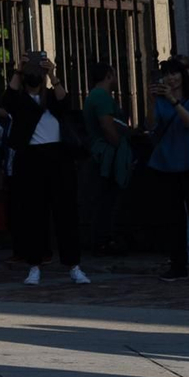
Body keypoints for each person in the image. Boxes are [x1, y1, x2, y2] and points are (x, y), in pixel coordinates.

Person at [3, 53, 90, 286]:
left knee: (66, 213)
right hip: (30, 158)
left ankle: (73, 265)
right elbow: (8, 99)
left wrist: (52, 73)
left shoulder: (50, 97)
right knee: (33, 214)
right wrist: (18, 70)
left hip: (58, 157)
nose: (35, 76)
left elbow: (65, 102)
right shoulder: (20, 100)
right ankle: (34, 265)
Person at [149, 60, 189, 283]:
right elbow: (152, 124)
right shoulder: (159, 100)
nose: (170, 78)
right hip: (165, 165)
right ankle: (178, 265)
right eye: (166, 74)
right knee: (173, 219)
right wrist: (153, 99)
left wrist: (173, 100)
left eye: (174, 74)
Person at [81, 62, 132, 255]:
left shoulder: (95, 95)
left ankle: (103, 238)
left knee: (105, 198)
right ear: (109, 75)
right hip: (106, 155)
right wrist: (120, 146)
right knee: (107, 198)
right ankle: (104, 240)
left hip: (103, 152)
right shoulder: (101, 96)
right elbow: (107, 126)